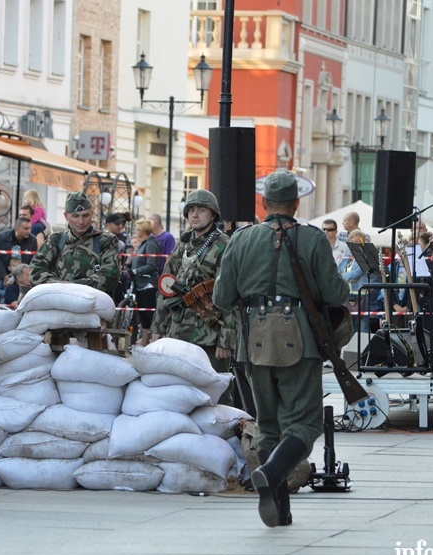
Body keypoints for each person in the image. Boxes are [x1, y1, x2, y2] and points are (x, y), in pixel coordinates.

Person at [213, 171, 348, 527]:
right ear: (296, 203)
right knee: (304, 424)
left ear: (264, 203)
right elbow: (335, 295)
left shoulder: (240, 239)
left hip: (253, 344)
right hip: (299, 342)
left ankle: (280, 506)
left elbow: (221, 298)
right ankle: (274, 471)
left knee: (268, 426)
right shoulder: (312, 239)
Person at [152, 190, 236, 402]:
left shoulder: (224, 245)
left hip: (209, 334)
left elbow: (231, 295)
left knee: (216, 392)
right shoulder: (183, 244)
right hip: (178, 331)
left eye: (201, 210)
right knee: (177, 391)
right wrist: (157, 329)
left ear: (213, 214)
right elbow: (165, 287)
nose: (195, 215)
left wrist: (226, 339)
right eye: (191, 210)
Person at [29, 191, 120, 296]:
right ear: (66, 216)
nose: (81, 221)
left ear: (92, 213)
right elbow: (36, 270)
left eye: (85, 215)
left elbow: (110, 276)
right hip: (59, 300)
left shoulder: (106, 241)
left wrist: (71, 288)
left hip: (93, 303)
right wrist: (58, 286)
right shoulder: (55, 240)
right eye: (75, 216)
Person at [128, 218, 161, 346]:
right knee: (143, 314)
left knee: (149, 313)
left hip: (148, 283)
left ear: (144, 230)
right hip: (140, 283)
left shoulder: (150, 244)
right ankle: (145, 339)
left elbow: (151, 265)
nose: (135, 231)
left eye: (137, 229)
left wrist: (135, 271)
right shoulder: (142, 244)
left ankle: (153, 340)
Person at [0, 217, 37, 297]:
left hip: (22, 280)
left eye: (30, 228)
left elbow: (33, 261)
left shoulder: (32, 240)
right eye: (26, 228)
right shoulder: (2, 237)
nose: (29, 231)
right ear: (17, 228)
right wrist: (5, 277)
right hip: (0, 277)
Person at [340, 229, 374, 333]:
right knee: (351, 329)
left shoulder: (365, 257)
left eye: (358, 242)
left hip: (363, 297)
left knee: (363, 329)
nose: (355, 245)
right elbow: (338, 273)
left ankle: (364, 350)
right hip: (348, 296)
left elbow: (355, 274)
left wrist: (344, 276)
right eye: (352, 242)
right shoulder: (347, 258)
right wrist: (346, 276)